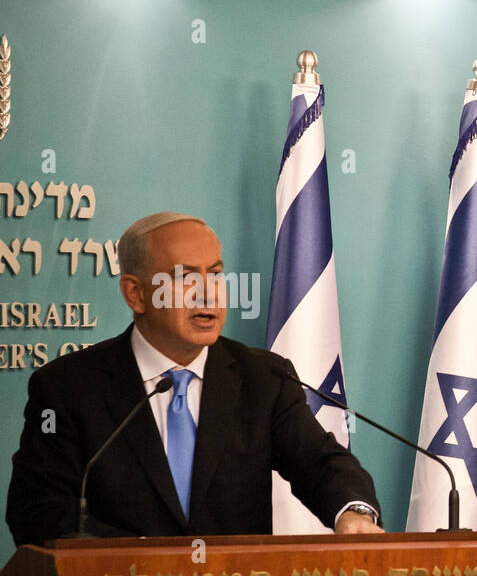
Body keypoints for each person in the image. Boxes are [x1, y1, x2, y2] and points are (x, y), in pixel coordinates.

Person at [6, 212, 382, 546]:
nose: (207, 293)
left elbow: (319, 462)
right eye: (184, 277)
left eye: (216, 274)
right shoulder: (68, 388)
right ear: (136, 294)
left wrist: (352, 512)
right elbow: (39, 512)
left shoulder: (263, 378)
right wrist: (148, 558)